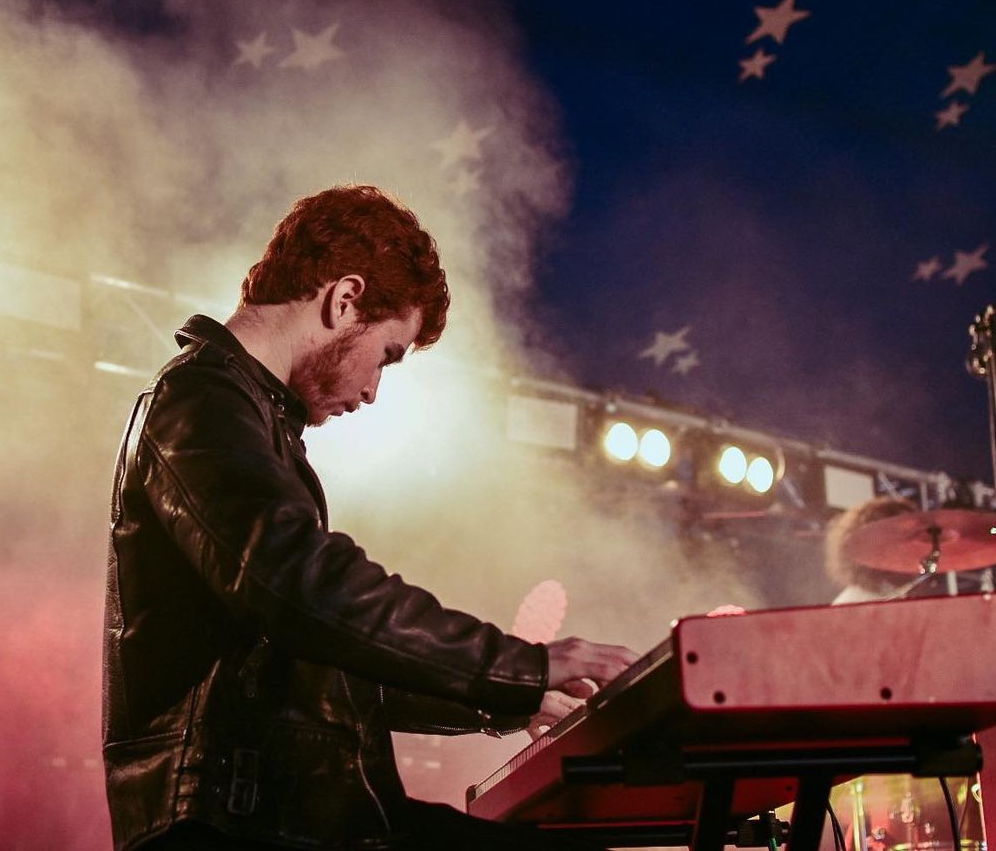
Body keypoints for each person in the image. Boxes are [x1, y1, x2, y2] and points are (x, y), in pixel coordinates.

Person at [102, 185, 637, 850]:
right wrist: (519, 665)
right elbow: (303, 585)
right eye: (387, 353)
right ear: (344, 299)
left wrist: (507, 696)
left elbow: (329, 670)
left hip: (289, 816)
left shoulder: (248, 420)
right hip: (235, 821)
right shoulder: (198, 400)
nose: (375, 392)